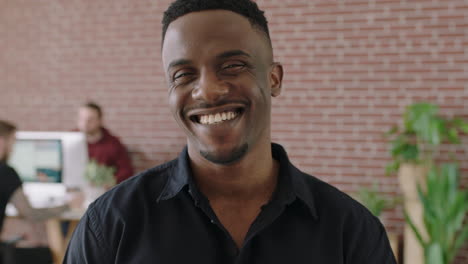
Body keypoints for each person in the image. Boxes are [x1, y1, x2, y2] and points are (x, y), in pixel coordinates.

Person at [64, 0, 397, 263]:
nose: (207, 91)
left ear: (274, 78)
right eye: (183, 75)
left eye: (232, 65)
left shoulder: (349, 231)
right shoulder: (111, 225)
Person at [0, 120, 81, 238]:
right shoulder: (6, 173)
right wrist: (69, 205)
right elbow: (31, 214)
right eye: (13, 142)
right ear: (2, 142)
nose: (13, 149)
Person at [77, 102, 134, 184]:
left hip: (102, 190)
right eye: (81, 119)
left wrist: (109, 182)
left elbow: (126, 171)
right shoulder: (69, 139)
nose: (85, 123)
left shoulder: (113, 143)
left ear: (100, 120)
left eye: (90, 119)